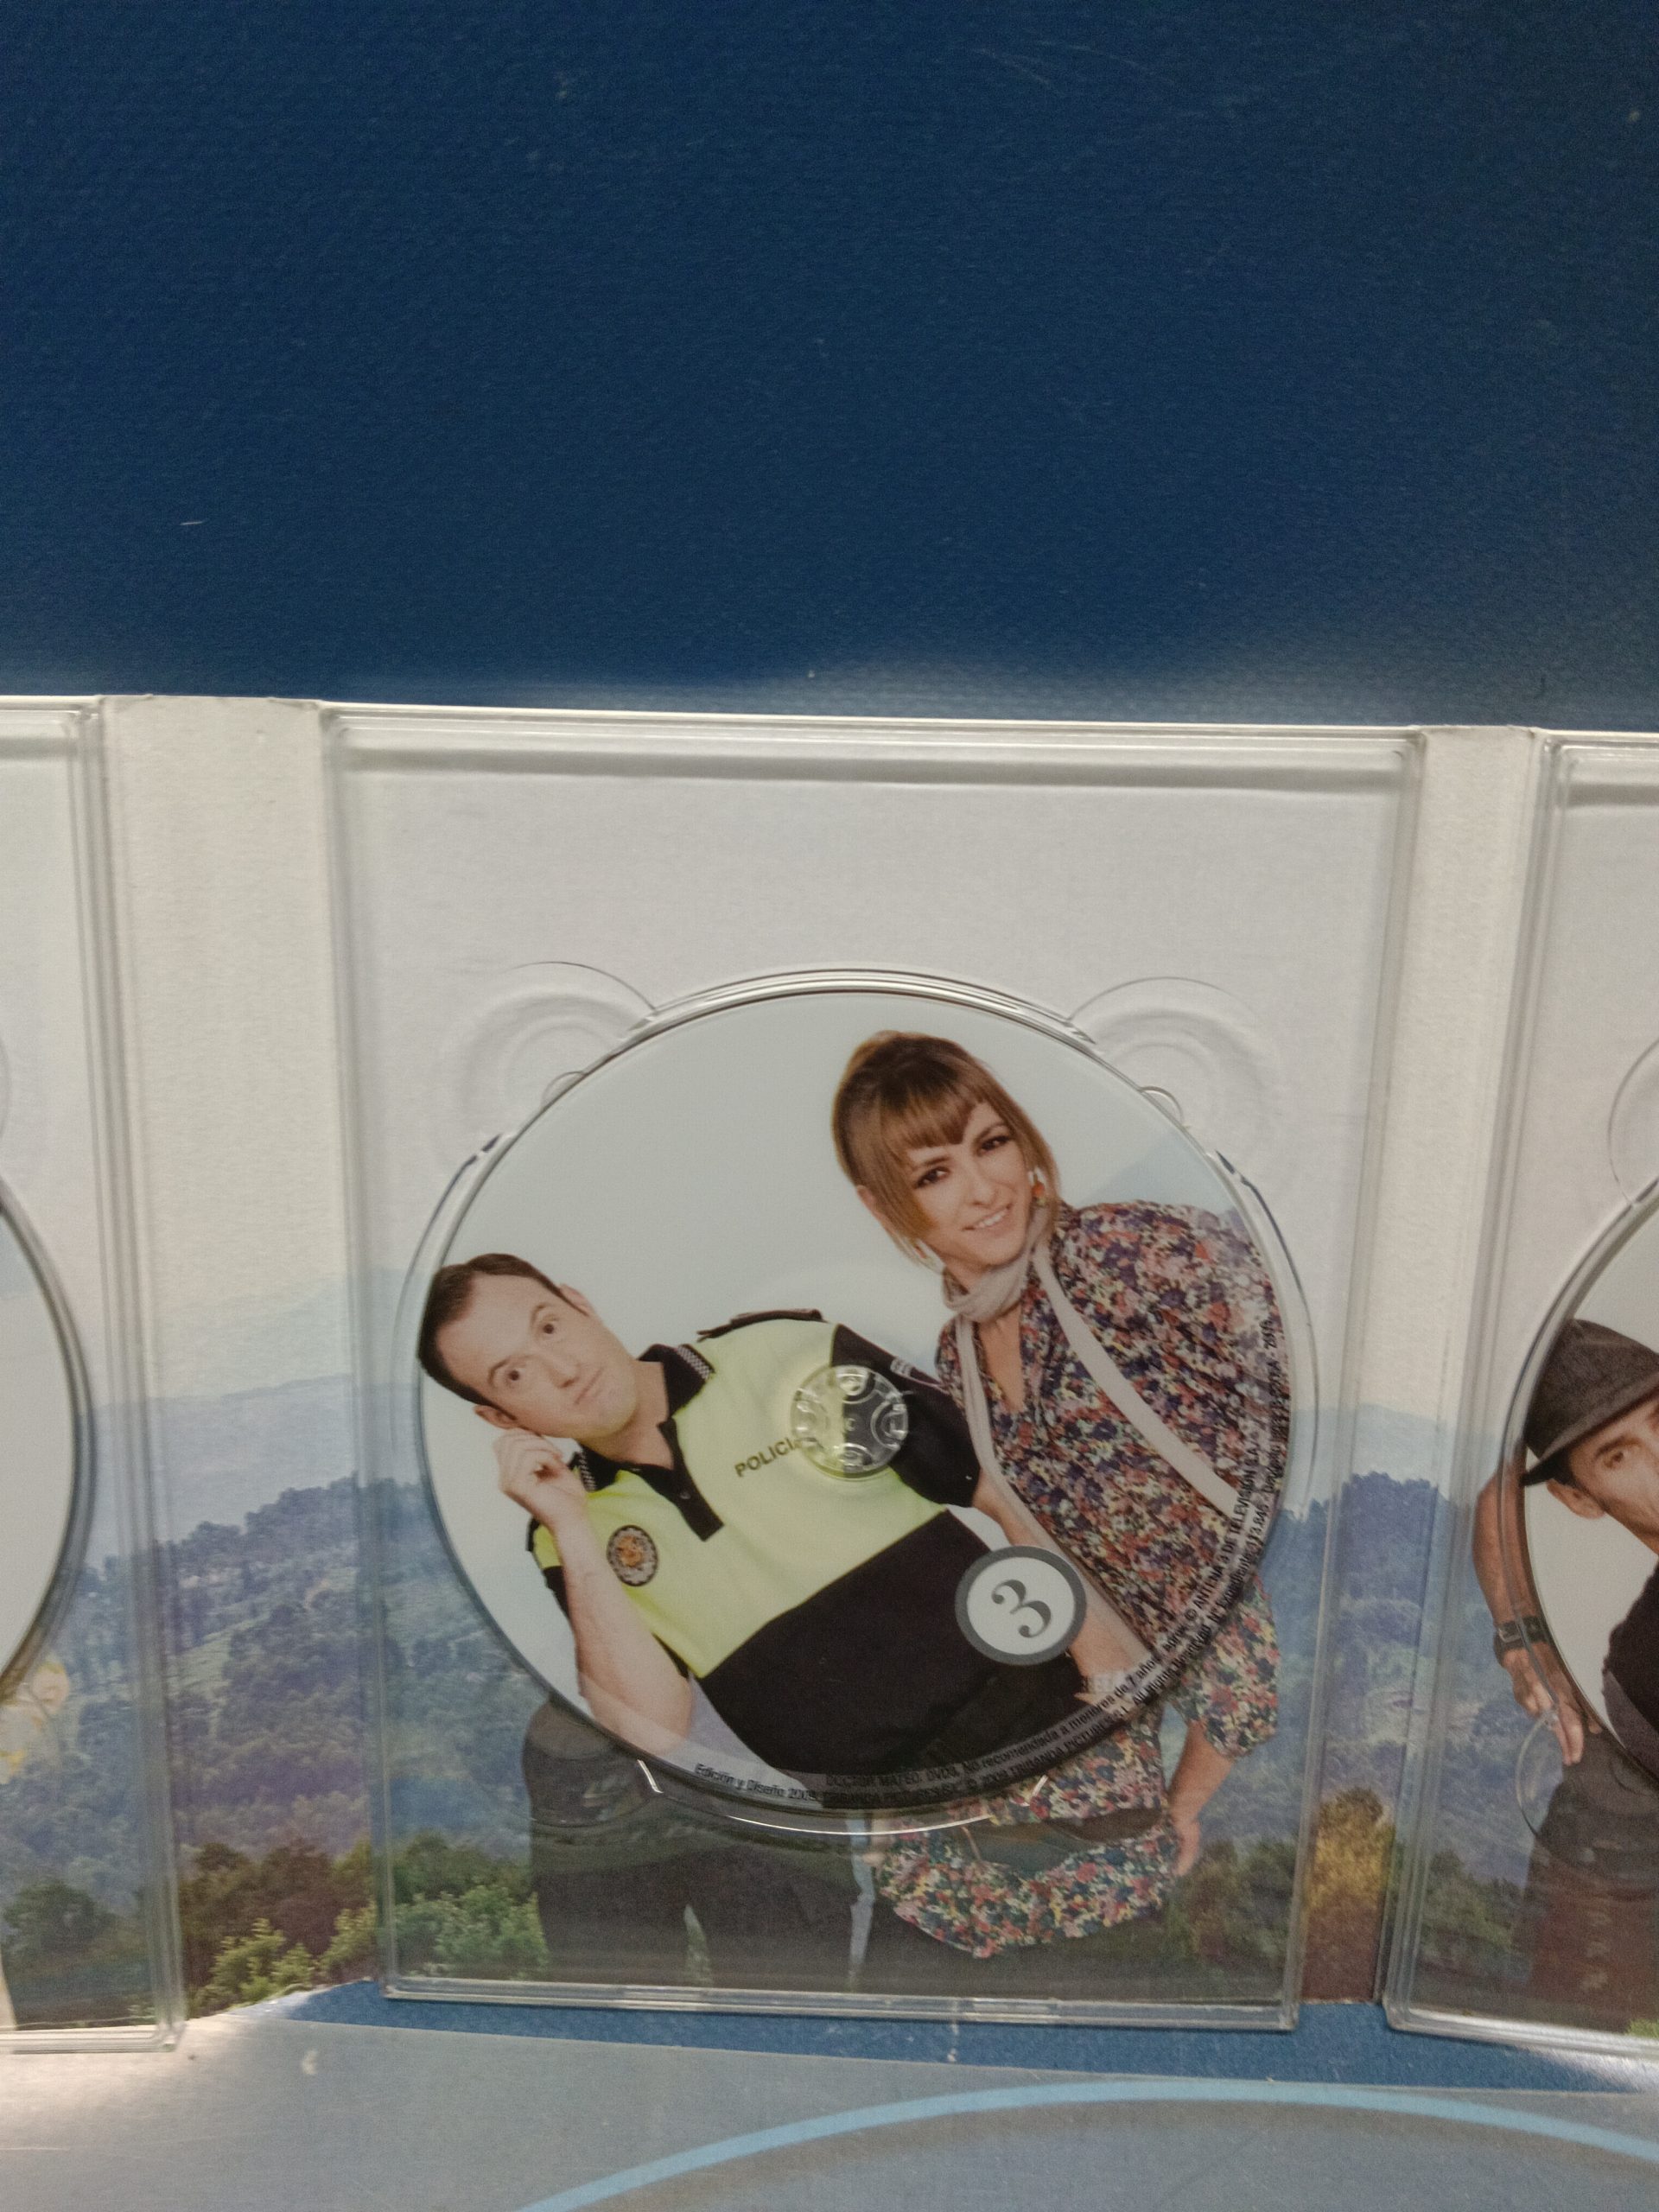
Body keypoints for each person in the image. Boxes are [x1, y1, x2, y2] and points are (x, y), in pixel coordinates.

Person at [830, 1031, 1284, 1963]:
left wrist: (1183, 1803)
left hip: (1100, 1853)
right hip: (967, 1834)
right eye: (935, 1175)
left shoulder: (1122, 1255)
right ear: (883, 1207)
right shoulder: (957, 1353)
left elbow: (1237, 1652)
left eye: (992, 1143)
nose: (984, 1189)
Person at [417, 1253, 1115, 1800]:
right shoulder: (562, 1534)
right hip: (899, 1827)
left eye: (549, 1326)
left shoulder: (787, 1353)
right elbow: (653, 1732)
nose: (565, 1370)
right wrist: (573, 1527)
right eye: (515, 1375)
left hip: (1049, 1731)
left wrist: (1106, 1685)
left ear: (579, 1304)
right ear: (502, 1419)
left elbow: (1002, 1492)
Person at [1471, 1318, 1659, 2024]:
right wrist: (1522, 1638)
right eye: (1619, 1456)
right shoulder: (1640, 1666)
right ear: (1580, 1498)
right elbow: (1498, 1496)